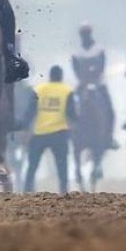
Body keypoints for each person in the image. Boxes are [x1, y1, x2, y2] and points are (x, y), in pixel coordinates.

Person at [22, 65, 78, 193]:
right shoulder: (67, 91)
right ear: (61, 77)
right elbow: (71, 114)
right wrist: (77, 118)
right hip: (59, 133)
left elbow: (30, 111)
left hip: (39, 133)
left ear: (50, 76)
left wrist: (24, 126)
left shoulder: (39, 89)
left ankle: (27, 190)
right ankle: (63, 191)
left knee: (32, 166)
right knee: (62, 165)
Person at [71, 22, 118, 148]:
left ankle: (109, 137)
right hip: (82, 84)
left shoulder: (99, 49)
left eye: (86, 34)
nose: (85, 36)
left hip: (98, 83)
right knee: (70, 105)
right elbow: (75, 69)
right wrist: (83, 79)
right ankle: (71, 135)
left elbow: (102, 67)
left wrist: (94, 76)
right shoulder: (77, 52)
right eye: (83, 34)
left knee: (110, 110)